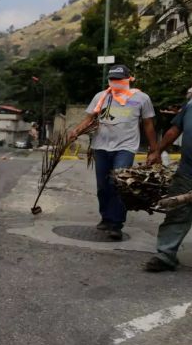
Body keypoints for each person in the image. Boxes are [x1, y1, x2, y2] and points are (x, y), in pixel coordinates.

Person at [67, 65, 158, 241]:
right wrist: (75, 131)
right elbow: (89, 119)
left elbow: (148, 124)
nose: (115, 82)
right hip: (101, 146)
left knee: (120, 184)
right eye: (112, 79)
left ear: (128, 79)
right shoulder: (101, 97)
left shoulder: (141, 98)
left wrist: (154, 150)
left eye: (119, 79)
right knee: (103, 186)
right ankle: (106, 217)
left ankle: (116, 224)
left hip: (126, 147)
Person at [143, 79, 192, 272]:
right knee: (176, 216)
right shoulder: (191, 107)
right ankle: (165, 255)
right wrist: (157, 151)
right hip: (187, 176)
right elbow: (174, 130)